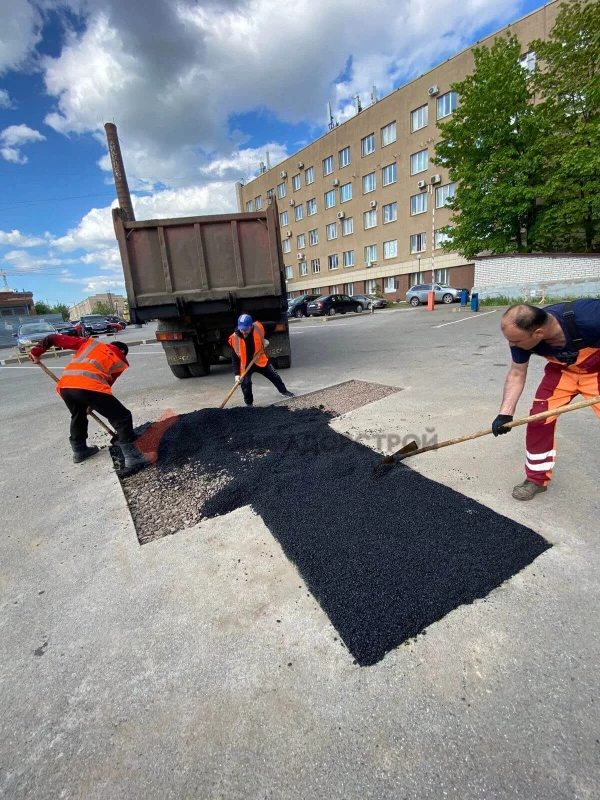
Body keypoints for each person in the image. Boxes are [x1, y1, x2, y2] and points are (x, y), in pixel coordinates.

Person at [493, 300, 600, 500]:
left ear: (538, 334)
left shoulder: (591, 316)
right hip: (561, 372)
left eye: (516, 342)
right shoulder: (521, 336)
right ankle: (536, 479)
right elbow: (517, 373)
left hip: (596, 371)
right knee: (538, 421)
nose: (512, 345)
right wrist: (505, 414)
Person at [29, 333, 148, 468]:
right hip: (90, 387)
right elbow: (107, 383)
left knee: (78, 415)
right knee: (122, 416)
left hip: (66, 386)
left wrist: (36, 352)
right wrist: (94, 401)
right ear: (122, 351)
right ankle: (133, 457)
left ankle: (80, 451)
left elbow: (52, 338)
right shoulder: (119, 357)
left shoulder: (91, 344)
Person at [228, 314, 293, 406]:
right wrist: (237, 374)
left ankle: (284, 391)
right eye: (241, 329)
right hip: (246, 365)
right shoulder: (234, 338)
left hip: (259, 360)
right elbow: (234, 358)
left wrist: (266, 338)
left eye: (246, 329)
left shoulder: (258, 327)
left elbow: (273, 325)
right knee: (245, 383)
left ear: (251, 326)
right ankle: (249, 403)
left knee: (274, 375)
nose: (243, 332)